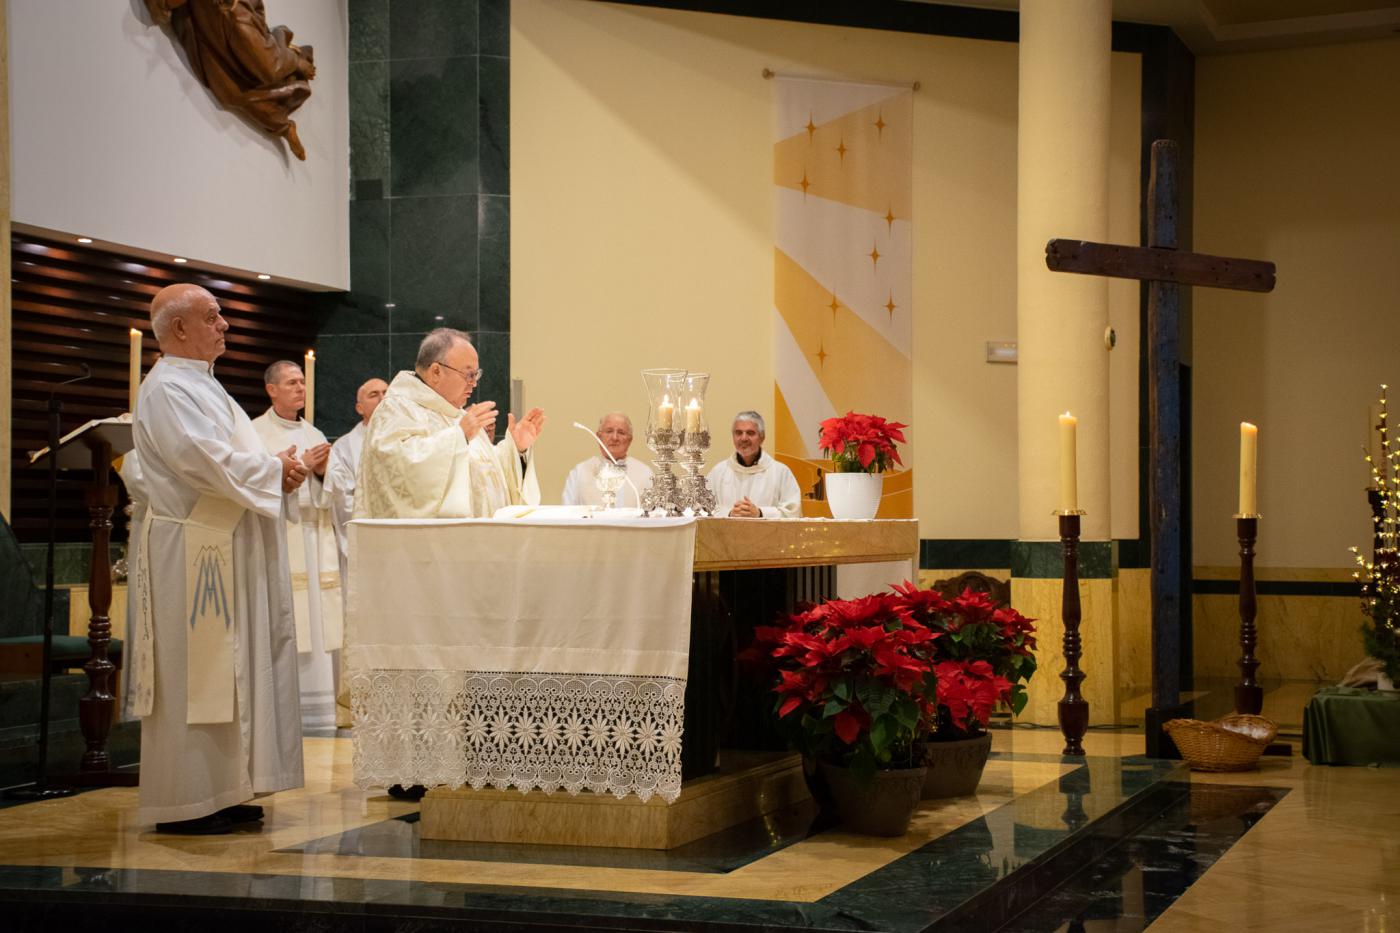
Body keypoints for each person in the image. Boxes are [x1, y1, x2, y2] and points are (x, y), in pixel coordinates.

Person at [126, 282, 305, 835]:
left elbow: (236, 456)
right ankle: (184, 800)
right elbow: (201, 460)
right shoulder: (166, 390)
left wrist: (281, 470)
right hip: (191, 550)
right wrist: (276, 471)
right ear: (179, 328)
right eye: (213, 316)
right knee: (193, 675)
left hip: (223, 541)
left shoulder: (205, 386)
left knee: (229, 674)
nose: (225, 324)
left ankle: (222, 788)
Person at [355, 328, 546, 519]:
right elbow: (398, 471)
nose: (474, 383)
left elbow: (483, 473)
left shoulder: (457, 415)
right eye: (468, 374)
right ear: (436, 371)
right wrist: (459, 436)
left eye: (476, 375)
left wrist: (515, 449)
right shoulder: (397, 409)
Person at [251, 361, 344, 733]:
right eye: (291, 382)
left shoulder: (314, 431)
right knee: (292, 620)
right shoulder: (255, 433)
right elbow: (255, 480)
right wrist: (300, 466)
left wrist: (320, 473)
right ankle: (287, 711)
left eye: (303, 382)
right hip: (283, 535)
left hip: (314, 537)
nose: (300, 388)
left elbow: (334, 488)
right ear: (271, 389)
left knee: (319, 625)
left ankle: (320, 714)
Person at [706, 410, 801, 518]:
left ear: (762, 437)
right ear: (733, 437)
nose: (744, 438)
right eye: (738, 433)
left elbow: (792, 512)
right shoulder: (718, 472)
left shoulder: (781, 472)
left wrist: (760, 513)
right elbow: (703, 509)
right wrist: (729, 513)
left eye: (750, 433)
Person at [561, 412, 652, 508]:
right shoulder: (579, 472)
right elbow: (567, 511)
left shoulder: (645, 473)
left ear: (630, 440)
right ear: (598, 437)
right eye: (609, 431)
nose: (615, 437)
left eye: (621, 432)